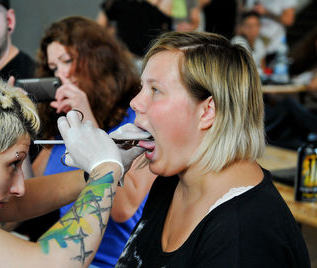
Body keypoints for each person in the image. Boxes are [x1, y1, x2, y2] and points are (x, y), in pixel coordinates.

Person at [87, 31, 308, 266]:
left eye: (155, 90)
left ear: (207, 111)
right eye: (143, 87)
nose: (136, 103)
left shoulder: (242, 237)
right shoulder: (173, 181)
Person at [0, 48, 129, 267]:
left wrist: (107, 164)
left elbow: (19, 204)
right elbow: (51, 264)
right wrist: (105, 170)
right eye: (13, 164)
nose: (20, 187)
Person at [29, 16, 157, 268]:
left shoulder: (137, 119)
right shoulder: (64, 123)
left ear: (99, 59)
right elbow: (29, 192)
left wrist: (86, 115)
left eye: (67, 61)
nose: (61, 74)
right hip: (67, 257)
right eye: (54, 68)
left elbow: (123, 209)